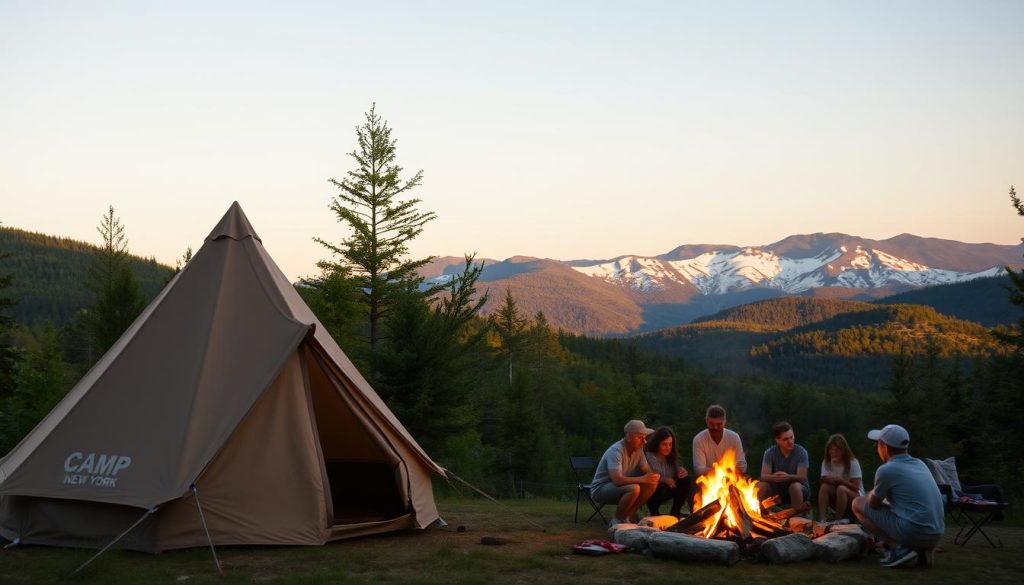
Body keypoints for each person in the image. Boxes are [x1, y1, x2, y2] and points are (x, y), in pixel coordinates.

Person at [852, 424, 945, 568]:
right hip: (936, 534)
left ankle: (899, 548)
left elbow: (873, 504)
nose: (877, 447)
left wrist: (871, 493)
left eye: (878, 444)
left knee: (857, 503)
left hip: (914, 533)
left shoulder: (887, 469)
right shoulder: (920, 464)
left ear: (885, 447)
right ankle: (923, 554)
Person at [590, 419, 661, 526]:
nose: (644, 441)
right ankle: (617, 521)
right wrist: (642, 479)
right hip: (600, 489)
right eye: (639, 437)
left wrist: (654, 475)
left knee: (652, 483)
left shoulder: (638, 450)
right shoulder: (616, 451)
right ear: (628, 436)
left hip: (619, 487)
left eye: (644, 438)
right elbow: (617, 480)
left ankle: (628, 515)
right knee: (634, 488)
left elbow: (647, 470)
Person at [757, 421, 810, 513]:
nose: (790, 441)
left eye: (791, 437)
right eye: (785, 439)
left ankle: (797, 519)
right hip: (776, 491)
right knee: (762, 485)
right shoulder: (770, 453)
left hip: (798, 490)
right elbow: (763, 476)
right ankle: (762, 516)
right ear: (777, 440)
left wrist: (788, 477)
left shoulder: (801, 452)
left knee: (795, 486)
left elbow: (802, 477)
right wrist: (774, 477)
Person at [643, 426, 692, 517]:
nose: (668, 447)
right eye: (664, 444)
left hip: (668, 490)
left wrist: (682, 471)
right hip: (653, 492)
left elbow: (676, 473)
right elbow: (649, 475)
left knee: (686, 480)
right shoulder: (649, 456)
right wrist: (663, 479)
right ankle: (654, 513)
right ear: (657, 444)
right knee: (659, 485)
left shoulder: (670, 457)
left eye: (670, 444)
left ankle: (675, 512)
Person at [817, 433, 864, 521]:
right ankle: (822, 518)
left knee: (841, 489)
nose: (833, 452)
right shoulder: (826, 462)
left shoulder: (852, 462)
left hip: (855, 495)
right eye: (831, 449)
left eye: (837, 449)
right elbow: (822, 480)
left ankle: (838, 520)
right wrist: (827, 479)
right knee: (824, 487)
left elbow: (856, 487)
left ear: (843, 450)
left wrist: (840, 480)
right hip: (836, 492)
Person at [692, 404, 747, 477]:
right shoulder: (699, 439)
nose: (715, 427)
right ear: (706, 421)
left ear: (724, 422)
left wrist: (720, 472)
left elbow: (741, 466)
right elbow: (699, 470)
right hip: (709, 482)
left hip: (732, 479)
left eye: (719, 424)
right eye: (711, 424)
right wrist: (723, 471)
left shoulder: (734, 437)